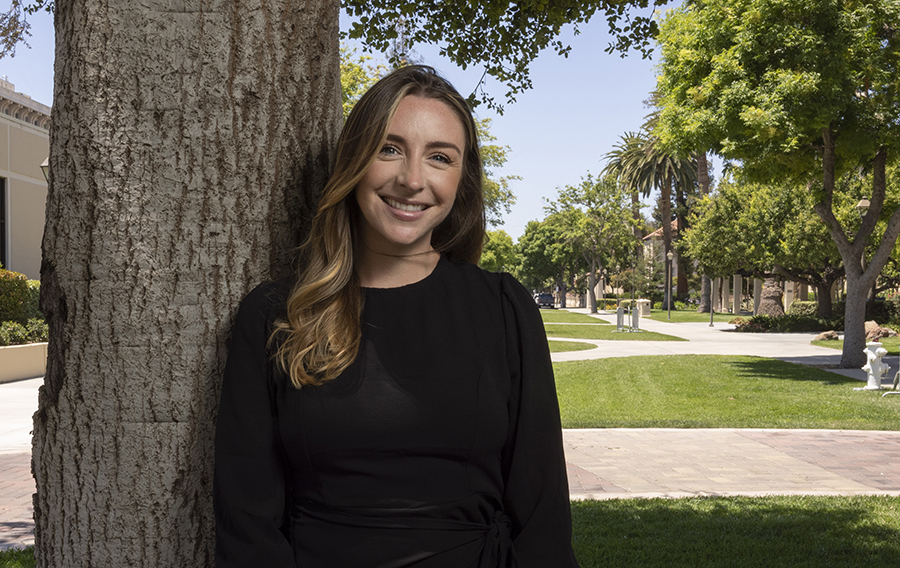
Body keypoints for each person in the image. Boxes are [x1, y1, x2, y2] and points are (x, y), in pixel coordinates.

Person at [214, 65, 580, 568]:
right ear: (354, 161)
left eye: (439, 157)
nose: (412, 180)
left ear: (461, 180)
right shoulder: (277, 315)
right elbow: (247, 523)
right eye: (389, 149)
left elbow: (543, 517)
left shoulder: (503, 308)